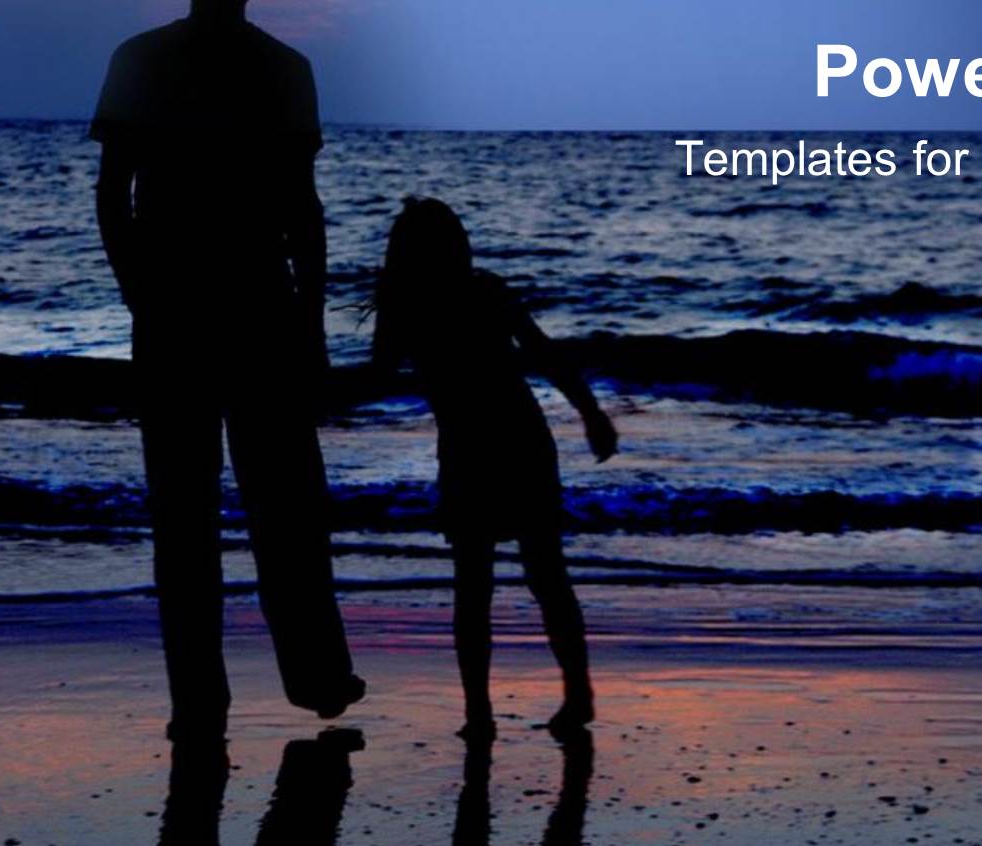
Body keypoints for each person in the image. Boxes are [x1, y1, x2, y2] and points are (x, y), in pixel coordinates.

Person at [90, 0, 364, 742]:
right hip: (250, 306)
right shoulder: (280, 67)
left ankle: (205, 699)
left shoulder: (145, 57)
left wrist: (141, 295)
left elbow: (114, 196)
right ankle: (310, 677)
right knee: (284, 509)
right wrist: (311, 326)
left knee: (192, 518)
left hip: (192, 309)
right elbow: (302, 211)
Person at [368, 197, 618, 741]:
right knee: (540, 576)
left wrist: (592, 413)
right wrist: (591, 413)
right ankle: (568, 696)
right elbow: (547, 356)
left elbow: (376, 379)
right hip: (511, 441)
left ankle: (486, 712)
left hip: (484, 447)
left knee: (483, 584)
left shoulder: (412, 304)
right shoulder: (475, 293)